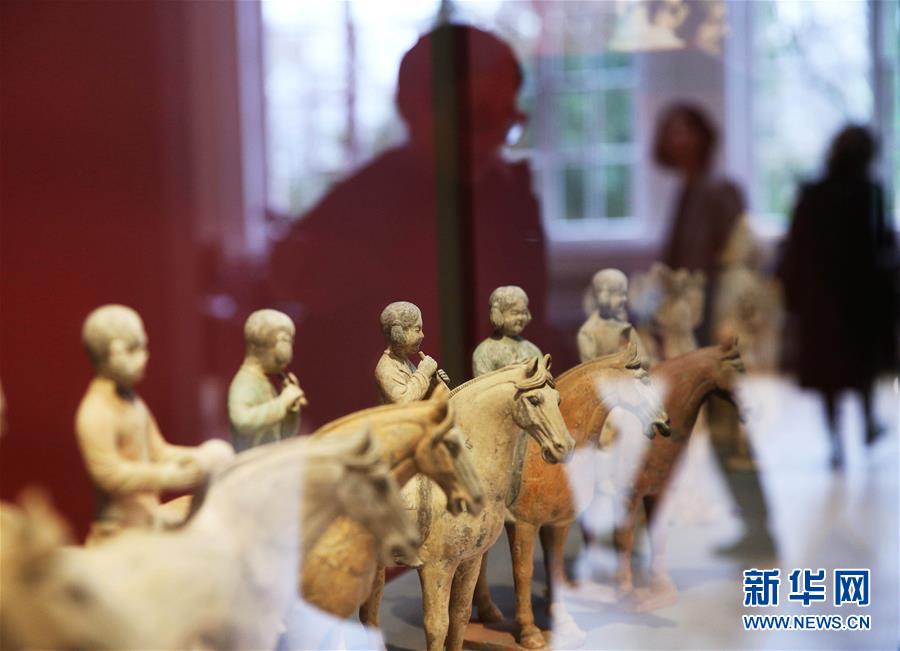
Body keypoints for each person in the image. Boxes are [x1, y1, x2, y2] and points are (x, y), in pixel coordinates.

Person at [269, 24, 548, 428]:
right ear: (418, 109)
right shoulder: (360, 205)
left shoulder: (511, 197)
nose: (497, 140)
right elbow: (321, 359)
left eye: (508, 120)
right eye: (480, 118)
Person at [653, 103, 775, 558]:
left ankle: (758, 527)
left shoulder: (720, 191)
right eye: (672, 130)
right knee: (709, 432)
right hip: (692, 331)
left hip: (714, 334)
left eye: (687, 130)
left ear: (704, 136)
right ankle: (755, 526)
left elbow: (738, 268)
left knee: (725, 432)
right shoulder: (687, 191)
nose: (679, 139)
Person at [777, 125, 897, 467]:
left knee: (828, 375)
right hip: (860, 300)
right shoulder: (869, 192)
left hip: (820, 300)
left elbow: (796, 247)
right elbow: (880, 247)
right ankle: (867, 423)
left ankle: (836, 442)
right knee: (860, 369)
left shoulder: (813, 192)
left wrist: (795, 296)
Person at [75, 305, 232, 542]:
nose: (145, 356)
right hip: (118, 532)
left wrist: (199, 458)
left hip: (147, 519)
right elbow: (109, 474)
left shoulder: (133, 402)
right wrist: (168, 477)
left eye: (143, 348)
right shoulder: (96, 410)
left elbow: (157, 451)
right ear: (113, 353)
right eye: (135, 349)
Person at [228, 309, 305, 453]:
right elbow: (242, 421)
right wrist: (283, 402)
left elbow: (284, 436)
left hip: (268, 461)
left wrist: (291, 409)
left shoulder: (263, 382)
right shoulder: (245, 383)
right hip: (251, 464)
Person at [375, 301, 449, 404]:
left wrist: (435, 383)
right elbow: (404, 402)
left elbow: (419, 396)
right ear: (400, 332)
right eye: (417, 329)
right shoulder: (386, 368)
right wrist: (424, 372)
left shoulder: (404, 361)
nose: (422, 335)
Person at [471, 286, 541, 377]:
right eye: (515, 313)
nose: (520, 318)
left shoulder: (532, 350)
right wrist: (508, 373)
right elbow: (482, 383)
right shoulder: (484, 351)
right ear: (498, 314)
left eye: (523, 312)